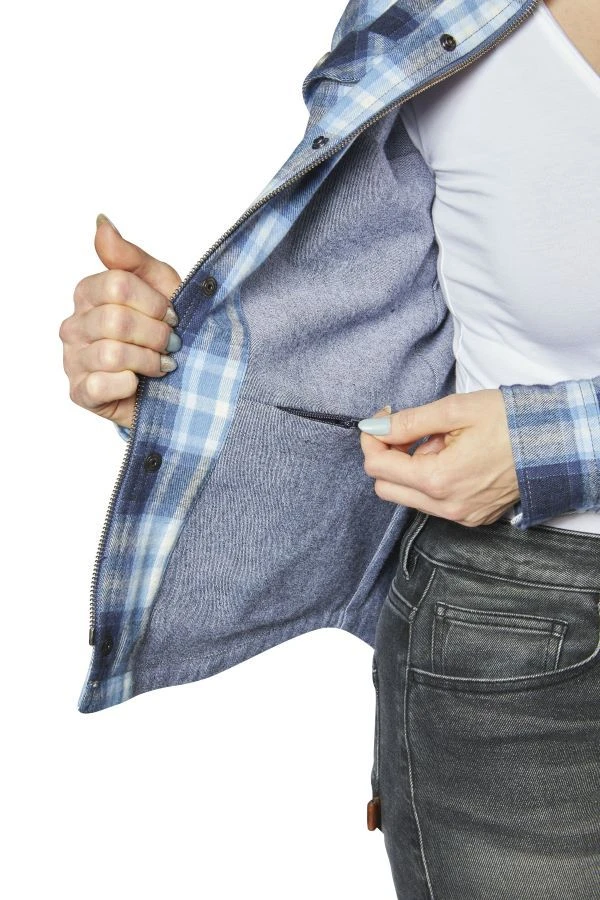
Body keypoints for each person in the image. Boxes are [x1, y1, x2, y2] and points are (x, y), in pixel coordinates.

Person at [58, 0, 599, 897]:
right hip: (517, 632)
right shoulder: (436, 16)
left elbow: (531, 439)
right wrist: (176, 374)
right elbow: (371, 350)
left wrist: (556, 445)